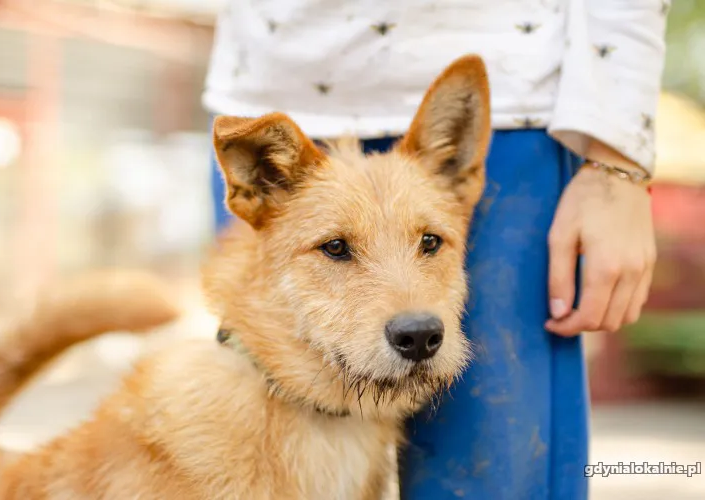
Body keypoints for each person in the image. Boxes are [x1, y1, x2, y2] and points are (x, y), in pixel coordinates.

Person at [203, 1, 667, 498]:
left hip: (517, 101)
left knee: (491, 481)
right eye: (337, 248)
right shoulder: (268, 173)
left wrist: (618, 162)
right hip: (271, 77)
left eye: (428, 244)